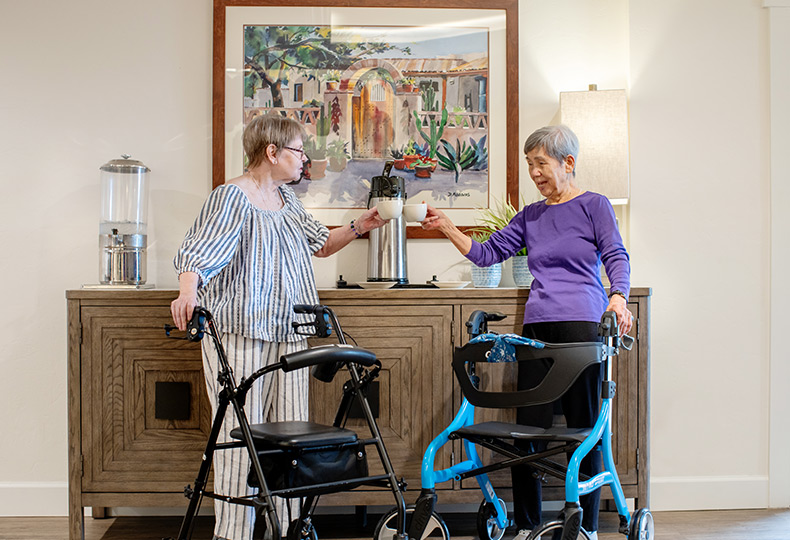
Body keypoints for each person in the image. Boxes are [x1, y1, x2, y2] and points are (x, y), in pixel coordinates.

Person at [170, 114, 386, 540]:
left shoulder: (287, 200)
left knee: (291, 433)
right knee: (241, 435)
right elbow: (198, 252)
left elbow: (320, 244)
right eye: (298, 151)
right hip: (241, 331)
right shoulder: (232, 197)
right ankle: (234, 533)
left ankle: (289, 528)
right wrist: (187, 293)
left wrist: (361, 225)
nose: (304, 159)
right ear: (272, 151)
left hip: (289, 330)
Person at [421, 124, 632, 540]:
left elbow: (616, 254)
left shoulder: (595, 205)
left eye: (541, 163)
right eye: (529, 164)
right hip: (536, 332)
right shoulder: (531, 215)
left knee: (585, 430)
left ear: (568, 163)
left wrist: (619, 297)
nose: (534, 173)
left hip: (583, 330)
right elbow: (487, 254)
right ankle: (526, 524)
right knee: (528, 432)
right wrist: (446, 226)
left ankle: (586, 526)